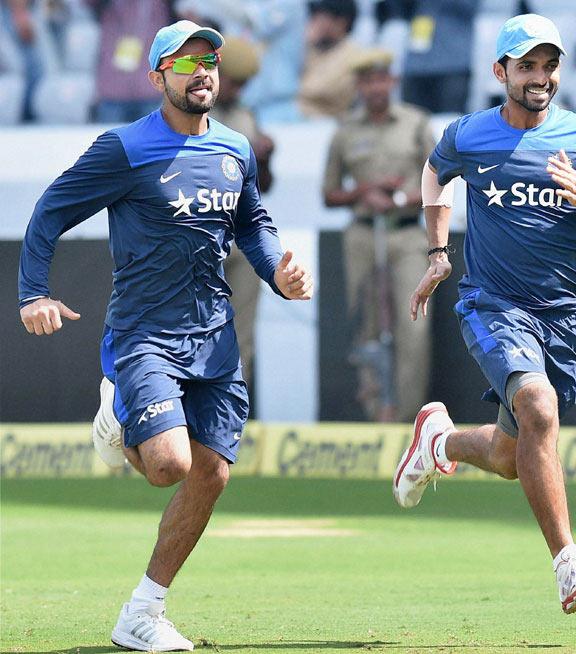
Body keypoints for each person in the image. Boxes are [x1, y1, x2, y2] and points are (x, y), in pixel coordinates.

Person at [18, 19, 313, 651]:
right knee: (168, 467)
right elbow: (50, 210)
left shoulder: (237, 148)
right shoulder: (123, 148)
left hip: (215, 336)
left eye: (209, 60)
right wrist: (33, 293)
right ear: (157, 78)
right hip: (144, 332)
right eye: (185, 64)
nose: (202, 70)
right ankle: (121, 420)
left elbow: (252, 223)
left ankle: (142, 613)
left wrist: (277, 269)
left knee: (211, 473)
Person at [393, 14, 576, 614]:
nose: (540, 77)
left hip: (560, 314)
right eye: (527, 66)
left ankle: (439, 442)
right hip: (493, 303)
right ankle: (568, 564)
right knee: (538, 407)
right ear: (500, 71)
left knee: (510, 454)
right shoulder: (469, 134)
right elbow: (434, 171)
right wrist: (437, 250)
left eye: (549, 65)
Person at [322, 49, 436, 422]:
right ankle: (376, 417)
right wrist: (363, 192)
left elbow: (439, 182)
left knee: (412, 325)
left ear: (393, 81)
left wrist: (399, 198)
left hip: (406, 234)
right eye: (367, 80)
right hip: (363, 234)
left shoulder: (416, 123)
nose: (374, 87)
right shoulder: (344, 131)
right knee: (366, 323)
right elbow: (330, 193)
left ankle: (407, 421)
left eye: (381, 79)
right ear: (359, 85)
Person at [210, 36, 276, 394]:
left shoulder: (246, 117)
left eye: (243, 84)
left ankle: (229, 425)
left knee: (240, 335)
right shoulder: (192, 112)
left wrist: (264, 158)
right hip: (203, 236)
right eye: (234, 81)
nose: (237, 90)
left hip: (242, 237)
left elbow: (261, 185)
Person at [299, 0, 361, 119]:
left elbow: (317, 90)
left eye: (321, 16)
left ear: (341, 23)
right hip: (297, 121)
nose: (314, 21)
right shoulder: (313, 48)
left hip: (329, 124)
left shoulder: (353, 55)